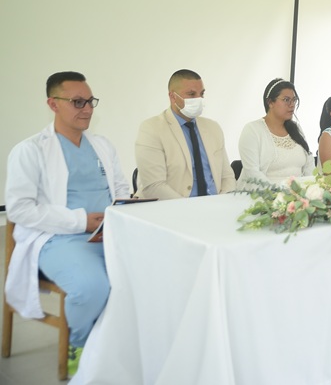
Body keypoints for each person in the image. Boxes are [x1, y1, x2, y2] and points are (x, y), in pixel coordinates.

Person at [4, 71, 129, 376]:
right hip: (58, 238)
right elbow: (19, 209)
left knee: (152, 275)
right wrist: (80, 221)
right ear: (53, 104)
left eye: (90, 101)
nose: (87, 108)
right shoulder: (29, 150)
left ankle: (122, 344)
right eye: (77, 101)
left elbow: (122, 189)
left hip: (110, 234)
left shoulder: (102, 145)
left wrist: (120, 213)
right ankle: (80, 346)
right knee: (92, 287)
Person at [135, 69, 235, 199]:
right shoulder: (151, 128)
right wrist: (189, 209)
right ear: (173, 96)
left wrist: (222, 202)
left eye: (202, 94)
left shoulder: (213, 128)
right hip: (172, 209)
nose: (198, 99)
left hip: (215, 205)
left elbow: (227, 177)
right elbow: (154, 186)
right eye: (191, 94)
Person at [237, 78, 314, 187]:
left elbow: (309, 166)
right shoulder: (252, 130)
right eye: (286, 100)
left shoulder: (296, 128)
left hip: (298, 198)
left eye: (294, 100)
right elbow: (252, 174)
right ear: (270, 102)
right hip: (263, 197)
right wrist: (280, 194)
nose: (292, 105)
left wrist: (310, 190)